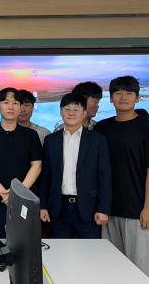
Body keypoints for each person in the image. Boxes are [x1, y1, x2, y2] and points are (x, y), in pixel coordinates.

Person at [94, 76, 149, 283]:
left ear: (137, 97)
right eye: (118, 93)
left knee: (143, 272)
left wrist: (148, 208)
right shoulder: (102, 128)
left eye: (129, 93)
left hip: (138, 211)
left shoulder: (148, 128)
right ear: (111, 98)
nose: (123, 97)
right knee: (111, 269)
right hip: (109, 211)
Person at [38, 92, 110, 238]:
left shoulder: (97, 141)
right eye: (67, 109)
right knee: (60, 250)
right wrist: (43, 206)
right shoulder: (51, 141)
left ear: (84, 113)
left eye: (76, 110)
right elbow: (46, 176)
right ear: (61, 112)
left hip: (88, 208)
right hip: (58, 208)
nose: (71, 113)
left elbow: (105, 176)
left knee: (89, 250)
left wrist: (103, 209)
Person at [0, 88, 43, 237]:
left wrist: (18, 192)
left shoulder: (31, 135)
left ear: (20, 107)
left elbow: (37, 166)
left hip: (25, 198)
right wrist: (3, 193)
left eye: (15, 103)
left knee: (25, 241)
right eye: (6, 103)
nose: (11, 107)